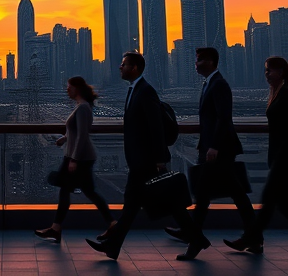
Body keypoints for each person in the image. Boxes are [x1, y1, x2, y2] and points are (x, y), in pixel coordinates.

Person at [87, 52, 205, 261]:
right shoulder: (136, 90)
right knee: (141, 205)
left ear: (134, 68)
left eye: (123, 65)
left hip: (148, 161)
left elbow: (156, 127)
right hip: (141, 160)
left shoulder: (146, 91)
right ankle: (114, 247)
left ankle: (113, 246)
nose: (119, 68)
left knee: (137, 204)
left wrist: (159, 158)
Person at [224, 56, 288, 265]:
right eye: (265, 71)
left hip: (287, 159)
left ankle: (251, 239)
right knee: (287, 206)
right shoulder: (279, 93)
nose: (266, 74)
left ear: (281, 71)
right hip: (282, 157)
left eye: (269, 70)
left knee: (270, 201)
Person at [166, 47, 256, 260]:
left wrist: (214, 146)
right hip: (214, 148)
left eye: (198, 61)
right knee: (221, 194)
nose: (195, 64)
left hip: (219, 150)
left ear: (210, 62)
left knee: (212, 193)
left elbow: (223, 118)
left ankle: (194, 239)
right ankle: (254, 237)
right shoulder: (210, 83)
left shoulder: (219, 84)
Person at [35, 77, 115, 243]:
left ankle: (112, 223)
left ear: (77, 88)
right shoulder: (81, 107)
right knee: (75, 191)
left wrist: (74, 160)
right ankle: (56, 228)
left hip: (79, 158)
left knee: (83, 191)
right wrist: (64, 139)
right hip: (74, 156)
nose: (67, 90)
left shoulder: (83, 108)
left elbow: (83, 135)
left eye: (69, 87)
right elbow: (76, 132)